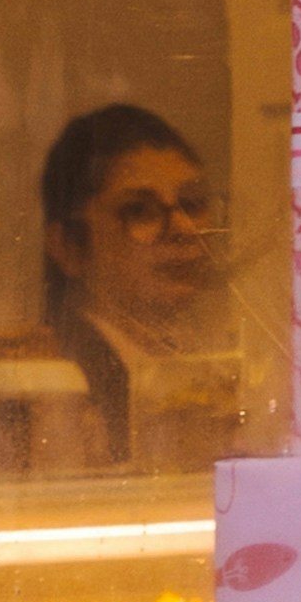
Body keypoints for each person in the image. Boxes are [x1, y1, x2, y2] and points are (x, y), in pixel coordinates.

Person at [37, 97, 223, 449]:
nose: (184, 229)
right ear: (68, 247)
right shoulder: (54, 389)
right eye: (140, 211)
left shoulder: (209, 355)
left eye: (194, 203)